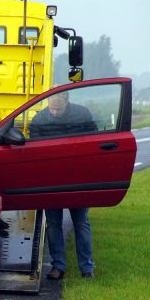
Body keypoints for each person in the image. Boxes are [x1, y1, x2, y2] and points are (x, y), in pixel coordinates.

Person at [29, 91, 97, 280]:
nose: (55, 111)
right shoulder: (39, 119)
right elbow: (34, 151)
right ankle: (58, 266)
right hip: (51, 180)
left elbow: (94, 142)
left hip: (78, 179)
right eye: (52, 108)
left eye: (58, 108)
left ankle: (87, 268)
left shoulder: (82, 114)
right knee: (53, 224)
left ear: (67, 101)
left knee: (81, 223)